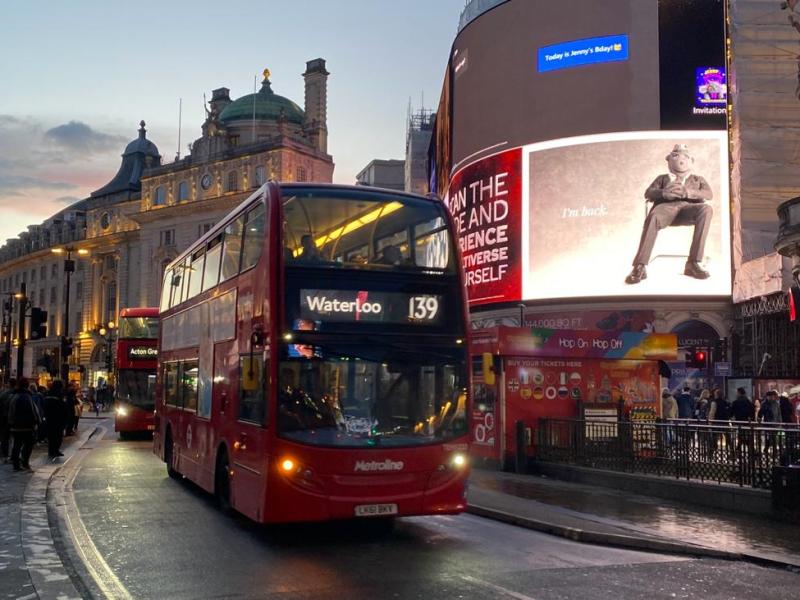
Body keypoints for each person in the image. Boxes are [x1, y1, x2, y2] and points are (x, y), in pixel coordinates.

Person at [625, 144, 714, 284]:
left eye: (685, 157)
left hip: (687, 209)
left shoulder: (697, 179)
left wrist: (688, 192)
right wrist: (663, 193)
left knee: (706, 209)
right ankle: (640, 266)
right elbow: (648, 193)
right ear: (669, 159)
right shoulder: (662, 178)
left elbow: (708, 194)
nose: (681, 160)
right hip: (665, 209)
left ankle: (693, 263)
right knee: (653, 216)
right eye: (676, 156)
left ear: (691, 160)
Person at [8, 377, 41, 471]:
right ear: (27, 386)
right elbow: (32, 411)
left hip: (15, 425)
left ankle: (16, 464)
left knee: (16, 445)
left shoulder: (14, 395)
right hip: (26, 426)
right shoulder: (26, 396)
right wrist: (36, 422)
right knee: (28, 444)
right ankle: (24, 462)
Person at [43, 380, 67, 459]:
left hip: (49, 418)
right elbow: (63, 406)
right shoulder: (60, 394)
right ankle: (56, 450)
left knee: (51, 436)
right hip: (58, 418)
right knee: (58, 436)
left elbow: (45, 405)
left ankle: (51, 451)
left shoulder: (48, 393)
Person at [0, 378, 16, 463]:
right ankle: (13, 456)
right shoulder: (17, 393)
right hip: (15, 419)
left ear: (9, 384)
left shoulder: (4, 394)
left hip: (5, 417)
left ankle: (5, 455)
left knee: (5, 437)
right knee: (15, 438)